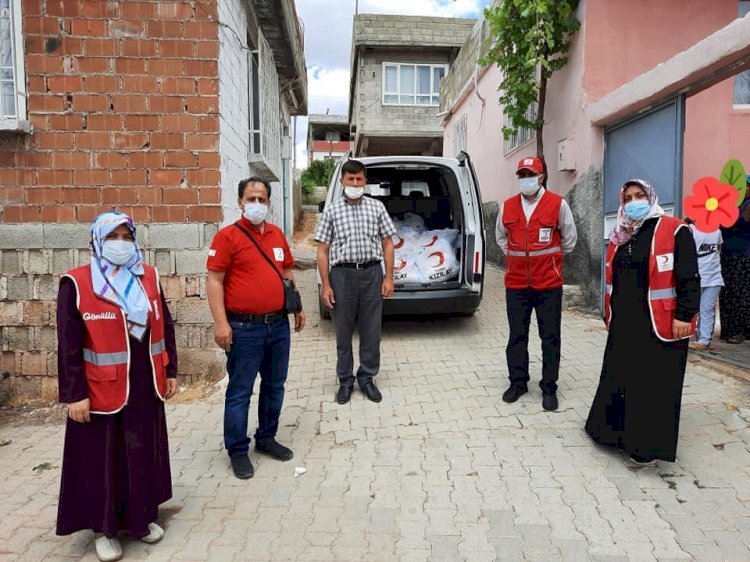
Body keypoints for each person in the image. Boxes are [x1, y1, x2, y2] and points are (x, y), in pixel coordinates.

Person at [56, 211, 178, 562]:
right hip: (100, 390)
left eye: (127, 237)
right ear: (97, 240)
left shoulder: (148, 276)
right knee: (104, 459)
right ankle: (104, 529)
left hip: (144, 381)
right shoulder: (78, 283)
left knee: (140, 453)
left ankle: (140, 521)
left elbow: (164, 324)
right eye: (113, 237)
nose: (121, 244)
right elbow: (68, 345)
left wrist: (171, 370)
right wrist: (74, 394)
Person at [586, 179, 699, 466]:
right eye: (627, 198)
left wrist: (685, 316)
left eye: (639, 196)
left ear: (651, 197)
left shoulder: (674, 229)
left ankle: (645, 448)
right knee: (620, 377)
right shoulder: (621, 235)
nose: (633, 202)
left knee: (652, 384)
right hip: (625, 321)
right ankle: (611, 435)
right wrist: (608, 312)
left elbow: (689, 276)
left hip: (659, 321)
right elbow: (614, 279)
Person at [207, 176, 305, 480]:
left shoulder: (276, 234)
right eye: (251, 199)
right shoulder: (227, 237)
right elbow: (214, 280)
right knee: (240, 391)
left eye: (262, 199)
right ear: (240, 202)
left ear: (269, 202)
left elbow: (286, 269)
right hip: (243, 327)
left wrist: (296, 305)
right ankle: (237, 450)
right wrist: (221, 323)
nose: (257, 204)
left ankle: (266, 438)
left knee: (275, 385)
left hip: (278, 325)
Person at [495, 156, 578, 411]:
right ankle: (518, 383)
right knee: (516, 336)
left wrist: (548, 259)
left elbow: (569, 239)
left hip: (548, 284)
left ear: (542, 177)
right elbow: (501, 237)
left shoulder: (557, 204)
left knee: (550, 336)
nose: (525, 179)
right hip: (517, 284)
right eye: (522, 175)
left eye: (530, 174)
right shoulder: (507, 207)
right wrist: (518, 256)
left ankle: (549, 387)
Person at [314, 159, 396, 404]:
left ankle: (367, 378)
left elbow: (388, 244)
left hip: (372, 274)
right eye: (350, 179)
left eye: (359, 179)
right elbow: (322, 250)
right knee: (343, 331)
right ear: (342, 181)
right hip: (342, 276)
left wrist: (389, 277)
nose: (355, 183)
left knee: (372, 330)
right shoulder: (332, 210)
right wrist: (326, 284)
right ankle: (345, 381)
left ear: (365, 181)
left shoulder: (377, 207)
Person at [719, 181, 750, 344]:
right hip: (727, 256)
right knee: (728, 292)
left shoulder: (747, 205)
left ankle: (740, 331)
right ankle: (729, 329)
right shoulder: (730, 205)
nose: (743, 188)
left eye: (747, 185)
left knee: (741, 293)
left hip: (743, 257)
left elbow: (740, 220)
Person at [685, 218, 723, 351]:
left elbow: (718, 250)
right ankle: (695, 337)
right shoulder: (689, 230)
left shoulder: (717, 231)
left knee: (707, 310)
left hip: (714, 277)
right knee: (695, 310)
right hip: (695, 277)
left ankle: (704, 341)